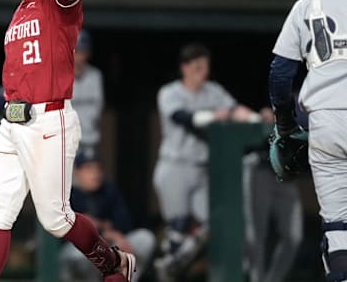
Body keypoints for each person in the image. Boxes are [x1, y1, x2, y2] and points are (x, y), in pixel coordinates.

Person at [0, 0, 136, 282]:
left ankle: (113, 263)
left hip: (50, 121)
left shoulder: (61, 4)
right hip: (12, 123)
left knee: (55, 218)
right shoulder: (19, 11)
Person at [268, 0, 347, 282]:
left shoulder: (309, 3)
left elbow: (281, 74)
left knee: (337, 229)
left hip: (326, 124)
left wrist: (285, 125)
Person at [152, 43, 260, 281]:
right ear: (185, 68)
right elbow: (186, 119)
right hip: (175, 166)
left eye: (205, 67)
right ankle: (170, 266)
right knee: (177, 228)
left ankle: (171, 264)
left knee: (215, 222)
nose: (203, 73)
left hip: (201, 168)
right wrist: (215, 116)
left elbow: (235, 109)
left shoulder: (212, 91)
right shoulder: (170, 92)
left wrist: (255, 118)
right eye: (197, 67)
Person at [60, 152, 156, 282]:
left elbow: (124, 223)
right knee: (79, 256)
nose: (95, 173)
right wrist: (104, 228)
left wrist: (112, 234)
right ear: (77, 173)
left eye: (98, 168)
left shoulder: (108, 190)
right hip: (79, 251)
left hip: (111, 244)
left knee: (144, 238)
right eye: (89, 169)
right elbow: (76, 232)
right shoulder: (69, 195)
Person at [242, 107, 303, 282]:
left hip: (285, 172)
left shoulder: (307, 91)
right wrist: (260, 114)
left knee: (294, 237)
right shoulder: (272, 83)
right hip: (259, 166)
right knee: (255, 235)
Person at [72, 29, 104, 155]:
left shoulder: (95, 76)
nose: (79, 56)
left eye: (82, 52)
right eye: (76, 52)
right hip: (67, 142)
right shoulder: (59, 77)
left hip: (89, 141)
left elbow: (99, 109)